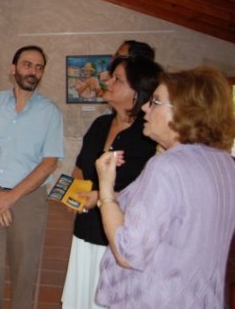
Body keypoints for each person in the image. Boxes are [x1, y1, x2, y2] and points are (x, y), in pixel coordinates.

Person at [95, 66, 235, 308]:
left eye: (156, 101)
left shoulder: (166, 166)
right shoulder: (224, 163)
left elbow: (129, 252)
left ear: (184, 111)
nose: (146, 108)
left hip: (155, 299)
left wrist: (106, 190)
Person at [61, 56, 163, 309]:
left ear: (137, 92)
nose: (108, 81)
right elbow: (80, 166)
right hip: (86, 230)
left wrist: (105, 197)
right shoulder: (100, 124)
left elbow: (150, 192)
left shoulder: (148, 135)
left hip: (121, 239)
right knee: (82, 297)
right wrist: (76, 193)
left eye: (117, 79)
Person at [0, 45, 64, 309]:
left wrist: (11, 197)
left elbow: (49, 163)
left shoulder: (49, 112)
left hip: (28, 199)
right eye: (27, 64)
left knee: (24, 265)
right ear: (13, 69)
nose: (33, 71)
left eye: (39, 67)